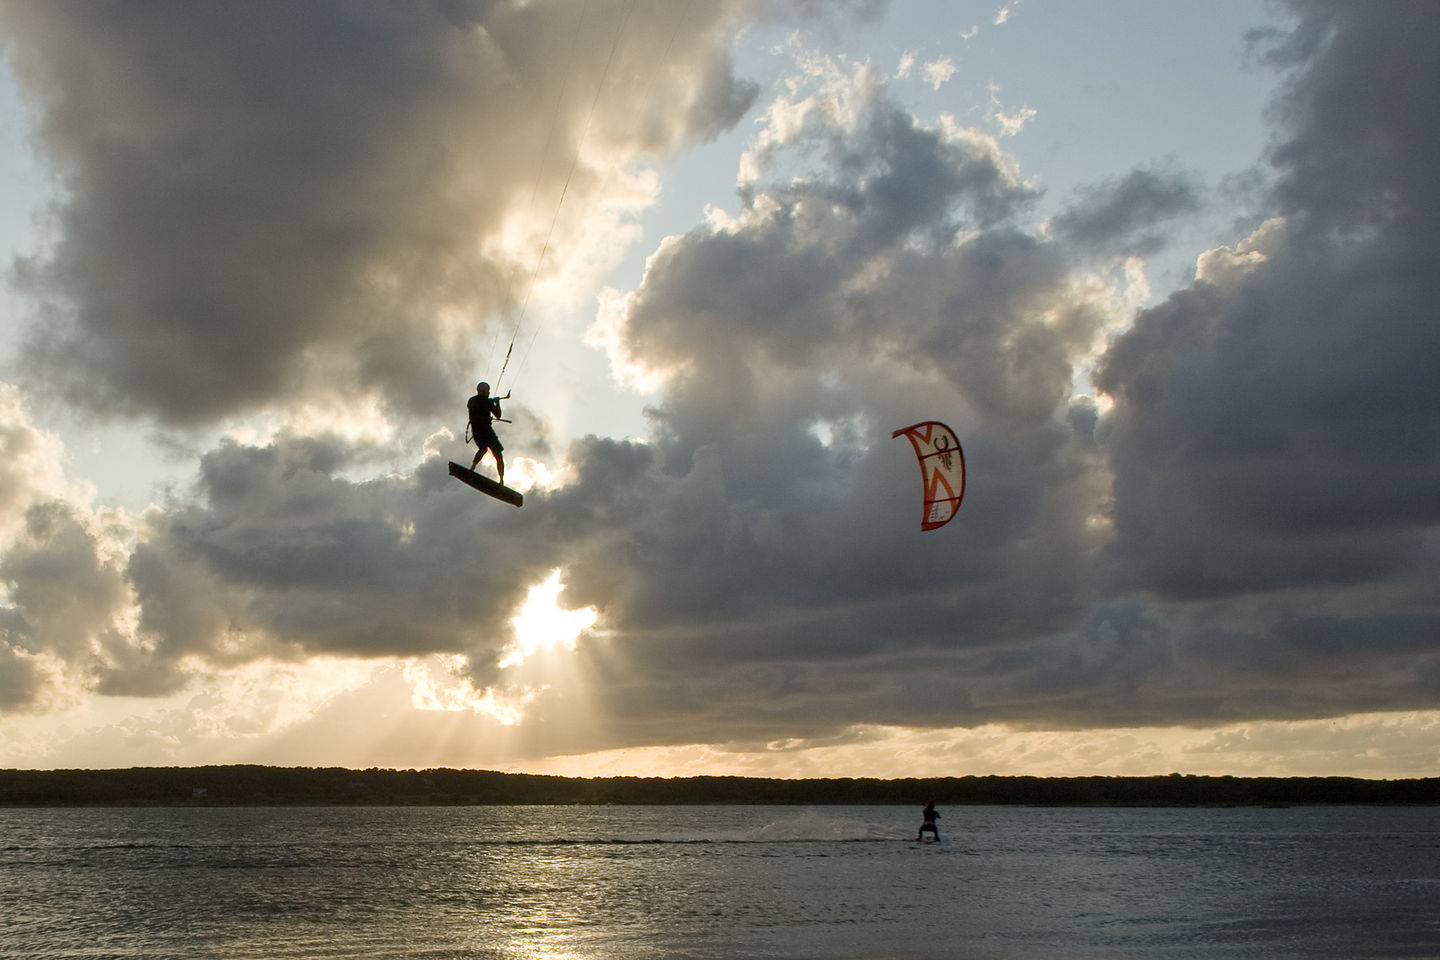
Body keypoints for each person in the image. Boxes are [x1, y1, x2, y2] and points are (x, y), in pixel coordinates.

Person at [467, 381, 506, 485]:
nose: (489, 393)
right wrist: (497, 403)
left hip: (477, 432)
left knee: (483, 449)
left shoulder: (471, 400)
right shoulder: (485, 401)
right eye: (488, 391)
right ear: (483, 391)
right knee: (498, 454)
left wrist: (491, 402)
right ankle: (501, 481)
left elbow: (478, 407)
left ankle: (472, 468)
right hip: (485, 432)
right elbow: (498, 415)